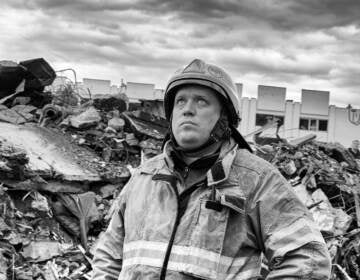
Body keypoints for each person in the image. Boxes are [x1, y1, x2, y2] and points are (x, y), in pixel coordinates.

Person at [91, 59, 331, 280]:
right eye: (180, 101)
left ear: (224, 118)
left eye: (201, 101)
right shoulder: (144, 178)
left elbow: (308, 260)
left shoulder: (257, 180)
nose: (187, 109)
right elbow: (108, 259)